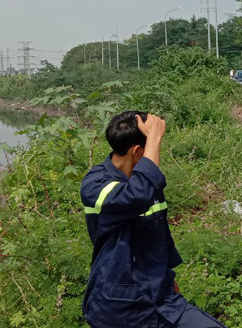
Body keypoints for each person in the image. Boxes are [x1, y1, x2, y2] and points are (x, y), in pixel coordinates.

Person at [81, 111, 225, 328]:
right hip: (119, 304)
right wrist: (154, 138)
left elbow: (159, 232)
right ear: (138, 151)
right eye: (152, 147)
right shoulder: (95, 184)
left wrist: (169, 277)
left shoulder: (146, 179)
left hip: (162, 297)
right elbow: (136, 195)